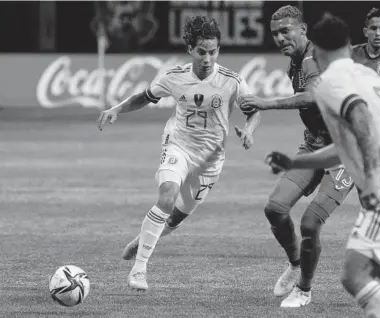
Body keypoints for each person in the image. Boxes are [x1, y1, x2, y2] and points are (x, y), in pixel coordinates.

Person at [266, 15, 380, 318]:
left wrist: (371, 182)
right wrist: (296, 162)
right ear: (350, 46)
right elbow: (347, 146)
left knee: (354, 275)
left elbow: (359, 121)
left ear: (317, 49)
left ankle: (304, 287)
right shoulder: (371, 77)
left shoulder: (331, 82)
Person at [97, 15, 261, 291]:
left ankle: (143, 239)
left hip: (210, 162)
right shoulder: (175, 77)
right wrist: (117, 109)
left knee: (175, 217)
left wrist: (249, 130)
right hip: (179, 146)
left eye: (213, 51)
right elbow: (145, 97)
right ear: (190, 49)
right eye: (201, 52)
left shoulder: (232, 81)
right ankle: (139, 269)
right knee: (167, 196)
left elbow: (253, 109)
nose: (207, 58)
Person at [239, 5, 353, 308]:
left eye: (286, 30)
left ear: (303, 30)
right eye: (275, 33)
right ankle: (295, 264)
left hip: (346, 152)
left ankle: (304, 290)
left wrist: (267, 104)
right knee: (275, 208)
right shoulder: (297, 61)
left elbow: (313, 95)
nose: (280, 37)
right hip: (314, 145)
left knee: (310, 224)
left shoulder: (313, 58)